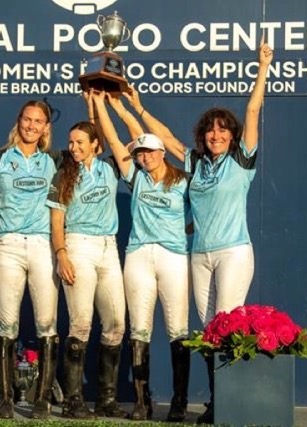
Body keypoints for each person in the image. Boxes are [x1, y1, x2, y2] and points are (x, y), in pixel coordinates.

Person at [122, 37, 274, 424]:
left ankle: (227, 402)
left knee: (225, 321)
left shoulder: (242, 159)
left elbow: (252, 110)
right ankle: (215, 402)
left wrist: (263, 68)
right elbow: (167, 139)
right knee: (208, 330)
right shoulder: (195, 163)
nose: (216, 136)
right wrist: (138, 107)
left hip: (233, 252)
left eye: (222, 131)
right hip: (199, 255)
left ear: (232, 135)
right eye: (210, 131)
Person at [92, 90, 191, 422]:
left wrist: (125, 108)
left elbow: (200, 216)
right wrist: (102, 105)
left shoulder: (184, 181)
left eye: (149, 151)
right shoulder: (136, 178)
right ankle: (141, 401)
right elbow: (114, 141)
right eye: (139, 153)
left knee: (178, 328)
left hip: (173, 257)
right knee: (140, 330)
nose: (144, 157)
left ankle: (179, 402)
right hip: (138, 257)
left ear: (162, 152)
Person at [0, 100, 62, 420]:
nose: (31, 126)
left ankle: (42, 400)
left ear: (46, 127)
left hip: (44, 246)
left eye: (38, 121)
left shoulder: (55, 160)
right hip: (7, 245)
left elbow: (94, 145)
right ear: (19, 121)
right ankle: (5, 399)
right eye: (27, 119)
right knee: (7, 323)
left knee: (47, 324)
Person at [46, 118, 127, 420]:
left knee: (116, 324)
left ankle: (106, 399)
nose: (73, 147)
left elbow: (111, 136)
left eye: (80, 142)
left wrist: (97, 103)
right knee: (80, 324)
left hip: (109, 247)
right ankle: (73, 401)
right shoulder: (63, 175)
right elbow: (56, 223)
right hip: (78, 245)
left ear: (95, 144)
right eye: (71, 142)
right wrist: (62, 255)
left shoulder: (110, 168)